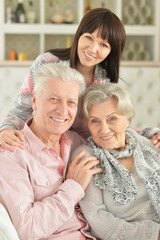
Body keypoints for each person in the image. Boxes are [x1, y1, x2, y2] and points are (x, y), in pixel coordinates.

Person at [0, 7, 159, 151]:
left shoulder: (106, 80)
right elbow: (20, 111)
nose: (92, 49)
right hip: (40, 144)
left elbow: (114, 126)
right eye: (89, 37)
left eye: (103, 45)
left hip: (81, 149)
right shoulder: (47, 62)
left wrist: (150, 134)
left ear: (111, 51)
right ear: (79, 35)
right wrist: (5, 131)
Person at [0, 63, 103, 240]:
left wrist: (150, 135)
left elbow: (114, 136)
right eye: (53, 99)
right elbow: (27, 229)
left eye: (71, 102)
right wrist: (73, 186)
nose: (63, 110)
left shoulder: (78, 143)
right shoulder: (11, 153)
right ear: (34, 101)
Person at [71, 83, 160, 240]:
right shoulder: (87, 157)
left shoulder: (148, 143)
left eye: (112, 118)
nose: (104, 129)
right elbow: (96, 218)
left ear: (127, 119)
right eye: (95, 121)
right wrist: (154, 235)